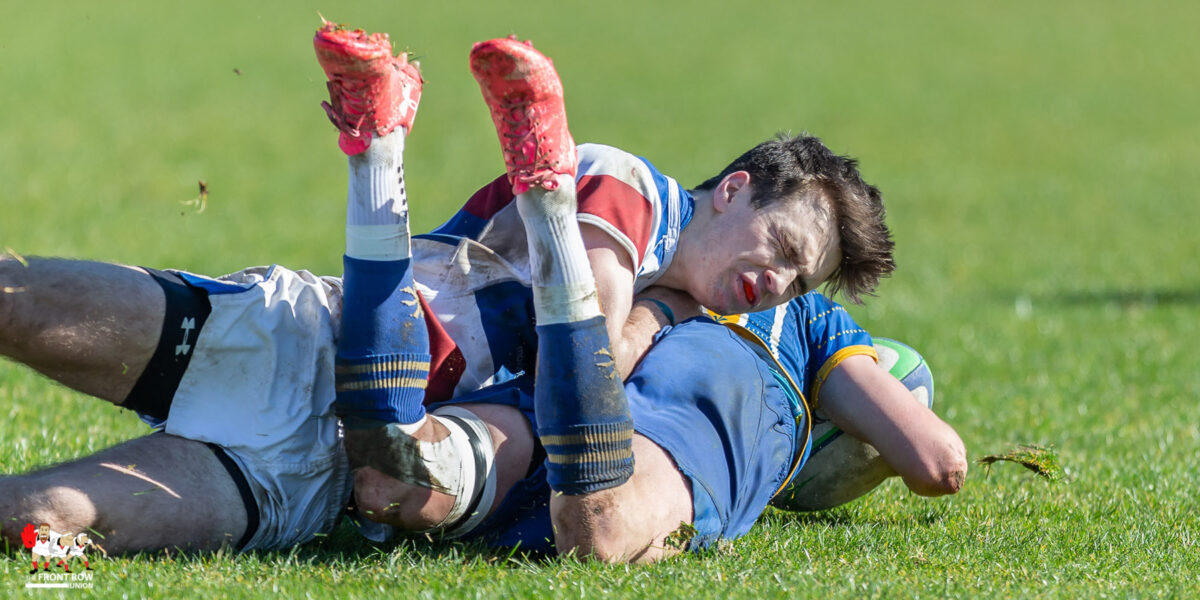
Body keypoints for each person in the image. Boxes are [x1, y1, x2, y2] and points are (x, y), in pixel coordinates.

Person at [0, 25, 962, 562]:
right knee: (18, 302)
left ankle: (377, 153)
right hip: (306, 343)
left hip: (312, 482)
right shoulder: (624, 186)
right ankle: (376, 155)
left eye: (795, 281)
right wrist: (665, 316)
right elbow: (588, 357)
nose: (773, 285)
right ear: (735, 188)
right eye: (780, 248)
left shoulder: (701, 307)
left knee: (34, 520)